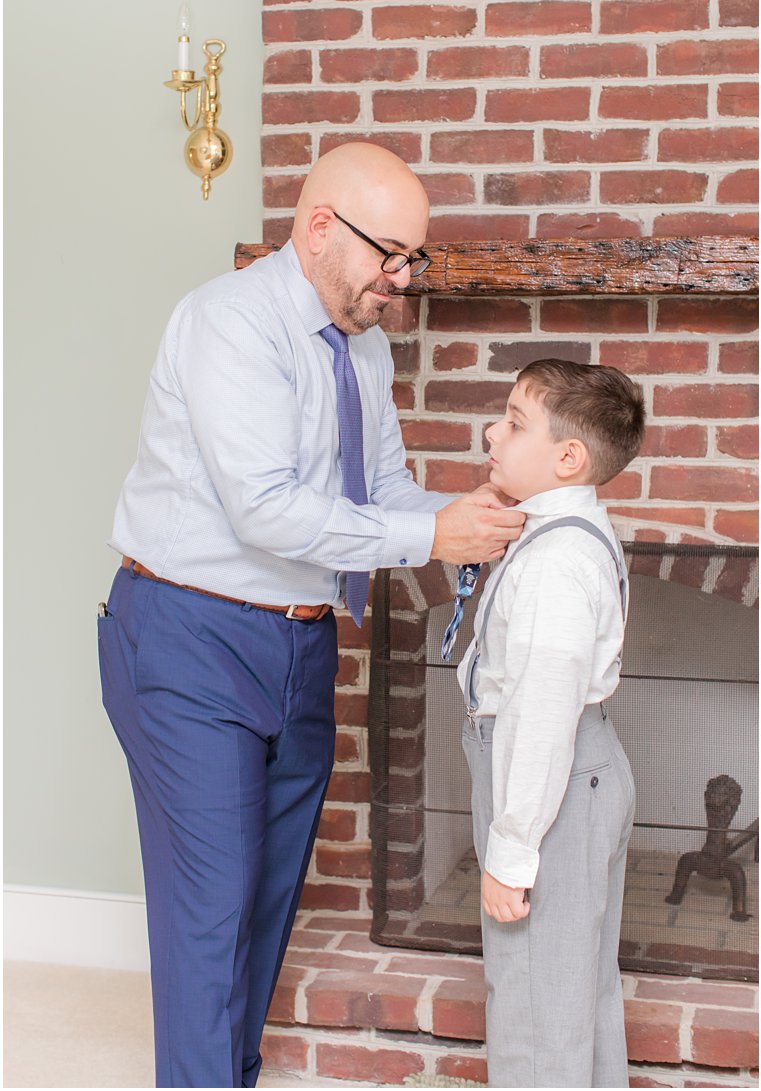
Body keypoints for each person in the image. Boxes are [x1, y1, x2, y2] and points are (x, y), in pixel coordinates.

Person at [97, 142, 523, 1087]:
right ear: (320, 227)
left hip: (299, 642)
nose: (400, 281)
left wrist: (477, 523)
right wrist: (430, 538)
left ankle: (227, 1073)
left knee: (264, 897)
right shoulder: (228, 323)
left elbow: (382, 491)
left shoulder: (362, 346)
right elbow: (266, 507)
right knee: (211, 906)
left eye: (415, 260)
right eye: (391, 254)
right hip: (187, 633)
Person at [454, 358, 645, 1087]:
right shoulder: (565, 530)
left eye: (513, 421)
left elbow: (539, 716)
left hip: (550, 787)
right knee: (574, 995)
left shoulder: (555, 565)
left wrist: (511, 849)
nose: (491, 433)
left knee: (535, 1006)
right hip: (581, 774)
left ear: (568, 456)